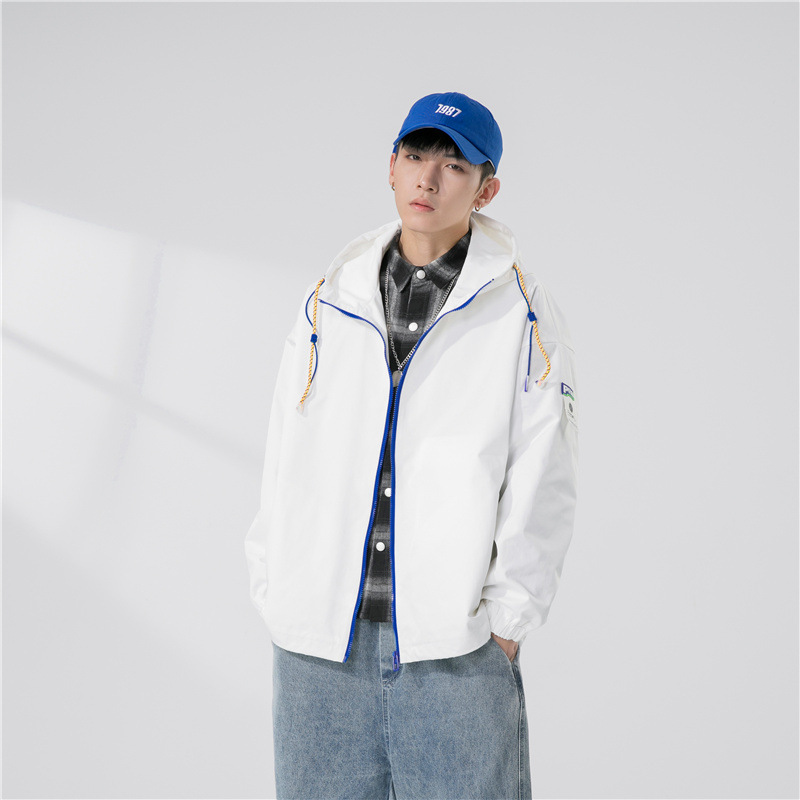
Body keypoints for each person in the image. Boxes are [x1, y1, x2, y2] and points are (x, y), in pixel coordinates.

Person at [245, 91, 579, 800]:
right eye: (417, 155)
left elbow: (544, 470)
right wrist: (277, 584)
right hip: (318, 646)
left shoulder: (521, 310)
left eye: (454, 165)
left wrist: (507, 623)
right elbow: (285, 445)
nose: (429, 178)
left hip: (452, 650)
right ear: (391, 166)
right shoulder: (329, 299)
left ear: (486, 190)